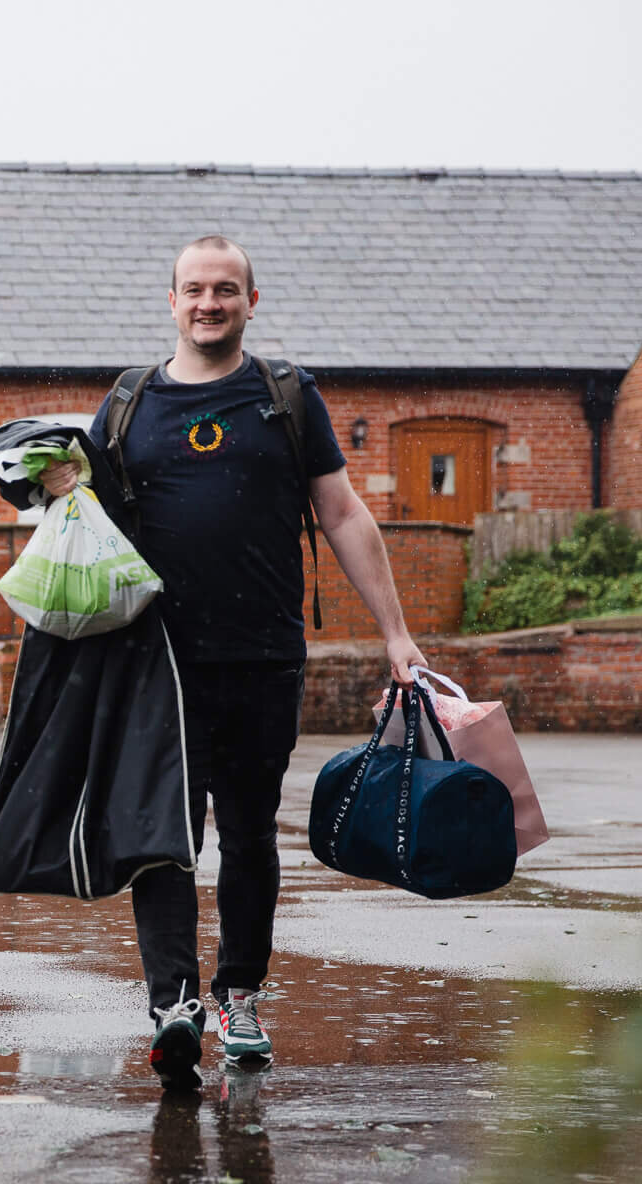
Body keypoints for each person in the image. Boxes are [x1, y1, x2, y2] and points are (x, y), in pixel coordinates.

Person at [36, 236, 428, 1086]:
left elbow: (344, 513)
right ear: (169, 300)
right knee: (164, 836)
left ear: (253, 300)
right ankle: (172, 1004)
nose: (208, 303)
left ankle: (239, 994)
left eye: (225, 290)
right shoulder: (130, 401)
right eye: (193, 290)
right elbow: (84, 511)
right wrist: (52, 482)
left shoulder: (286, 396)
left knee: (249, 836)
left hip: (262, 658)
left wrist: (396, 631)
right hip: (156, 662)